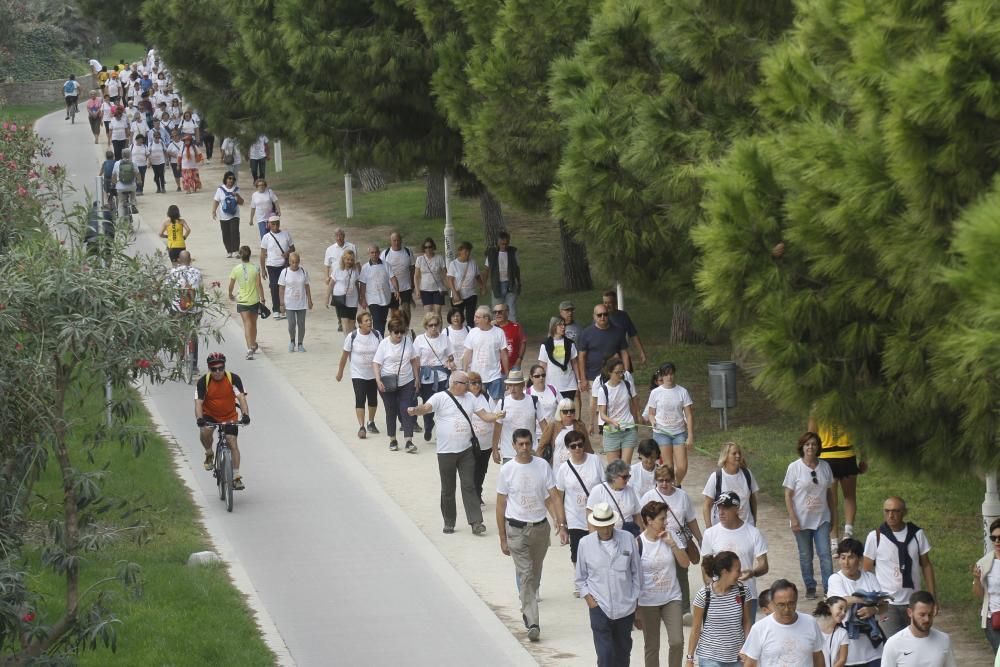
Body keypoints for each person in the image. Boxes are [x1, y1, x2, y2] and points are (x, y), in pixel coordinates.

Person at [409, 371, 504, 535]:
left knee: (469, 485)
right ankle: (449, 521)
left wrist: (497, 415)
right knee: (448, 488)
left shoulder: (470, 398)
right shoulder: (440, 397)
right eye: (466, 383)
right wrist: (416, 410)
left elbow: (485, 416)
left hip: (466, 450)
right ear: (455, 383)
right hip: (446, 452)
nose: (469, 386)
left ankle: (476, 522)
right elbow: (426, 408)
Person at [496, 428, 568, 642]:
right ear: (514, 445)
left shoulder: (542, 466)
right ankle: (533, 621)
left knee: (534, 574)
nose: (525, 448)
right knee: (526, 574)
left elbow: (552, 496)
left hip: (540, 528)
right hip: (516, 529)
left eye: (528, 443)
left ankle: (527, 605)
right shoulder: (507, 470)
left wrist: (561, 522)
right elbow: (501, 505)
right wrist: (502, 537)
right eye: (521, 444)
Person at [575, 502, 642, 664]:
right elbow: (580, 578)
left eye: (608, 525)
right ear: (594, 525)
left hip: (625, 609)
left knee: (623, 654)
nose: (605, 530)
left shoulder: (627, 539)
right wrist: (590, 600)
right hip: (600, 608)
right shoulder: (585, 544)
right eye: (601, 526)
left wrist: (635, 601)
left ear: (613, 523)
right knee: (605, 656)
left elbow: (637, 573)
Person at [863, 496, 936, 638]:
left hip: (914, 601)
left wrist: (932, 598)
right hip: (887, 603)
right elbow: (866, 571)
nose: (891, 515)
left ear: (904, 512)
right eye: (887, 511)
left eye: (896, 511)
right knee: (893, 643)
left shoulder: (917, 534)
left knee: (917, 641)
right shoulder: (875, 537)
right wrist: (872, 600)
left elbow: (926, 565)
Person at [640, 465, 702, 622]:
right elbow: (642, 520)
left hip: (677, 538)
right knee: (659, 573)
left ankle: (685, 609)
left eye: (667, 480)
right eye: (660, 481)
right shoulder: (648, 496)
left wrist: (700, 539)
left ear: (673, 480)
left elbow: (691, 519)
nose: (664, 484)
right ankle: (658, 606)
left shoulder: (682, 496)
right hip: (656, 538)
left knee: (682, 571)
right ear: (655, 481)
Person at [636, 500, 690, 667]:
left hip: (671, 598)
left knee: (677, 641)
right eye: (662, 518)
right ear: (649, 520)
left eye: (665, 518)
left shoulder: (670, 536)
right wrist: (635, 608)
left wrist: (672, 544)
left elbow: (685, 563)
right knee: (652, 646)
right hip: (648, 601)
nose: (666, 522)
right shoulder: (637, 543)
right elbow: (633, 576)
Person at [784, 431, 836, 600]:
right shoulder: (795, 467)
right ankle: (810, 586)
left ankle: (830, 588)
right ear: (802, 447)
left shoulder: (825, 467)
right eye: (807, 444)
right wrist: (793, 517)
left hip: (822, 518)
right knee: (806, 555)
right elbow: (788, 494)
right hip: (801, 519)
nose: (810, 447)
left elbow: (830, 493)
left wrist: (834, 515)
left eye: (813, 444)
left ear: (818, 447)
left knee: (825, 554)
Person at [701, 491, 769, 619]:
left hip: (747, 594)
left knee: (747, 637)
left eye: (725, 508)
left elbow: (764, 565)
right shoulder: (710, 534)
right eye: (719, 508)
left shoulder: (753, 533)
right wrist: (711, 589)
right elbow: (705, 565)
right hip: (719, 595)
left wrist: (752, 572)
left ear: (737, 508)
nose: (720, 512)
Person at [826, 537, 887, 667]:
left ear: (859, 559)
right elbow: (842, 601)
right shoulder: (835, 579)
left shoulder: (870, 577)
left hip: (873, 647)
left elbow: (884, 604)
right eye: (843, 557)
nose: (846, 562)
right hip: (848, 649)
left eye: (851, 557)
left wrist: (873, 610)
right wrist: (868, 599)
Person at [195, 352, 251, 489]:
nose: (218, 371)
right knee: (205, 432)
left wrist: (245, 415)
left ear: (224, 367)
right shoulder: (203, 382)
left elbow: (241, 398)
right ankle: (209, 452)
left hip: (229, 416)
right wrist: (200, 419)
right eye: (214, 369)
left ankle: (236, 477)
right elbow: (198, 403)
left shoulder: (233, 379)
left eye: (221, 368)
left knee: (232, 443)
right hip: (210, 415)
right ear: (209, 369)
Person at [808, 416, 867, 547]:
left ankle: (834, 542)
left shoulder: (816, 407)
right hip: (847, 456)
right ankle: (848, 534)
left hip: (826, 458)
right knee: (849, 497)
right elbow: (861, 435)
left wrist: (809, 461)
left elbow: (811, 436)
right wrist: (864, 458)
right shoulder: (849, 404)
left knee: (831, 502)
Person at [687, 551, 752, 667]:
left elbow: (747, 622)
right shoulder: (704, 595)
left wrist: (748, 650)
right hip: (709, 657)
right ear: (725, 572)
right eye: (737, 570)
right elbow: (695, 628)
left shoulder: (743, 592)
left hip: (737, 657)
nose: (740, 573)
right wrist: (689, 659)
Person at [741, 579, 824, 667]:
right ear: (772, 603)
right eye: (781, 605)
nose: (787, 609)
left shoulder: (810, 623)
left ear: (796, 601)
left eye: (791, 604)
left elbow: (818, 656)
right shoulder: (759, 628)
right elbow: (750, 663)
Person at [554, 429, 604, 573]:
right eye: (573, 446)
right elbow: (559, 497)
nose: (578, 449)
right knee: (576, 551)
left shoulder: (595, 460)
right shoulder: (564, 469)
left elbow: (605, 486)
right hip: (574, 516)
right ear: (568, 448)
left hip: (597, 515)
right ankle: (579, 579)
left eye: (580, 445)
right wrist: (562, 524)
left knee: (597, 550)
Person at [373, 318, 420, 453]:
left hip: (406, 381)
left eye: (402, 332)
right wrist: (378, 380)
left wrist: (417, 378)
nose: (399, 335)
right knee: (391, 410)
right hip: (388, 382)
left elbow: (413, 360)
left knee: (406, 409)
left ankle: (409, 440)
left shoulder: (407, 341)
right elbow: (376, 363)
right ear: (390, 332)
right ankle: (392, 439)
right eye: (396, 332)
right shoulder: (384, 344)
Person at [645, 362, 695, 484]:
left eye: (671, 374)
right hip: (661, 432)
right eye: (666, 375)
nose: (669, 377)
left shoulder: (682, 391)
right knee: (668, 466)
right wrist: (653, 421)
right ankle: (670, 486)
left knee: (682, 467)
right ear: (662, 376)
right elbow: (651, 413)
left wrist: (690, 436)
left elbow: (688, 415)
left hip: (679, 432)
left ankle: (676, 484)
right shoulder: (655, 392)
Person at [336, 311, 382, 439]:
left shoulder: (377, 335)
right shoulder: (352, 336)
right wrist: (340, 372)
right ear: (360, 324)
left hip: (373, 373)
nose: (369, 322)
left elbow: (382, 354)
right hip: (358, 373)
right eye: (366, 321)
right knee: (360, 398)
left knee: (373, 399)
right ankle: (361, 426)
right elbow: (344, 356)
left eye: (370, 320)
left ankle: (371, 422)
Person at [880, 591, 956, 667]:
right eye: (922, 615)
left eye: (930, 614)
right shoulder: (893, 644)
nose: (927, 619)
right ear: (910, 613)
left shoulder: (944, 640)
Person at [413, 311, 455, 440]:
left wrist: (450, 363)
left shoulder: (444, 338)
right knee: (428, 404)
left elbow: (451, 356)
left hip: (442, 376)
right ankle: (428, 425)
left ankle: (441, 431)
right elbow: (415, 361)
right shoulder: (420, 339)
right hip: (426, 377)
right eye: (430, 325)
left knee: (443, 404)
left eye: (436, 324)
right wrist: (417, 378)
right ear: (426, 326)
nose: (433, 327)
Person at [491, 370, 548, 464]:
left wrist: (543, 447)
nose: (512, 388)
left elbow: (544, 426)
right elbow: (497, 428)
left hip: (530, 452)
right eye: (510, 385)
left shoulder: (533, 401)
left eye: (516, 385)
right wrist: (495, 450)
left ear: (523, 385)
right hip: (509, 454)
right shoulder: (502, 403)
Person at [703, 442, 759, 527]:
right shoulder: (716, 477)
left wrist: (754, 521)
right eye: (734, 453)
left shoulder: (747, 474)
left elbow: (753, 500)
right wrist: (709, 528)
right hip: (722, 528)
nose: (738, 456)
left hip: (746, 525)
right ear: (726, 456)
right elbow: (707, 505)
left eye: (739, 453)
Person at [577, 304, 630, 393]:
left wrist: (626, 373)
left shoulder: (618, 331)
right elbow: (581, 356)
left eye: (605, 314)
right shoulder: (586, 333)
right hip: (593, 376)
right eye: (599, 315)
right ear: (594, 316)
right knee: (595, 405)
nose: (602, 317)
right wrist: (583, 378)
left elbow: (624, 353)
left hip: (614, 375)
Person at [597, 356, 639, 464]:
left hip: (628, 429)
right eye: (617, 372)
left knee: (626, 465)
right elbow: (602, 414)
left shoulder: (628, 385)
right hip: (611, 432)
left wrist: (637, 420)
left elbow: (635, 403)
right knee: (614, 468)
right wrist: (612, 421)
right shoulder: (603, 390)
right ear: (610, 372)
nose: (621, 375)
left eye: (622, 372)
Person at [463, 305, 509, 401]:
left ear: (486, 318)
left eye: (478, 317)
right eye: (475, 316)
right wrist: (464, 372)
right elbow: (467, 353)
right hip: (476, 377)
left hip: (495, 376)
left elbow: (504, 355)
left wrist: (507, 374)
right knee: (476, 404)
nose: (475, 319)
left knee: (497, 405)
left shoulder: (499, 332)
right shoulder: (472, 332)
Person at [227, 245, 265, 360]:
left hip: (243, 300)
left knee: (247, 324)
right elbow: (259, 285)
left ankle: (250, 348)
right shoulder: (255, 268)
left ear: (240, 255)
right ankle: (253, 344)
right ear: (249, 255)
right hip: (254, 299)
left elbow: (231, 284)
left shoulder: (236, 269)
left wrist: (230, 294)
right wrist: (262, 298)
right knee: (253, 324)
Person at [168, 249, 203, 372]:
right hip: (195, 309)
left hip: (178, 309)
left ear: (178, 260)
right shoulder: (197, 272)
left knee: (178, 332)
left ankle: (180, 358)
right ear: (190, 260)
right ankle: (193, 366)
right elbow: (200, 290)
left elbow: (167, 291)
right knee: (193, 334)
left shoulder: (172, 273)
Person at [587, 459, 642, 533]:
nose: (628, 480)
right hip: (607, 534)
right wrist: (594, 538)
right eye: (624, 477)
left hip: (628, 533)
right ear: (613, 477)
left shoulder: (630, 489)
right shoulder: (598, 490)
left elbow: (636, 515)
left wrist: (640, 535)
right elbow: (590, 515)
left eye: (628, 476)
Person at [538, 397, 594, 469]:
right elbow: (542, 446)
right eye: (565, 411)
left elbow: (587, 446)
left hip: (577, 465)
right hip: (558, 466)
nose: (569, 414)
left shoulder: (580, 426)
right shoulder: (553, 426)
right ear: (559, 412)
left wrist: (592, 463)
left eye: (572, 411)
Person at [467, 371, 496, 505]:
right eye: (473, 383)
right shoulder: (464, 398)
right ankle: (474, 495)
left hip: (486, 442)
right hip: (470, 442)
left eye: (479, 382)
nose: (477, 385)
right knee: (472, 469)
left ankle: (478, 490)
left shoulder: (486, 397)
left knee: (482, 469)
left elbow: (494, 416)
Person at [482, 231, 522, 321]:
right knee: (497, 310)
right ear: (498, 243)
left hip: (510, 284)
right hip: (497, 285)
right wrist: (483, 286)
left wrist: (519, 283)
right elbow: (486, 271)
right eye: (502, 244)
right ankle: (497, 331)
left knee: (511, 310)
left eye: (506, 243)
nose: (504, 246)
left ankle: (512, 330)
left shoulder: (513, 252)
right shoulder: (491, 253)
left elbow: (517, 269)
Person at [259, 215, 294, 318]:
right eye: (273, 224)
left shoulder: (286, 234)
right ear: (269, 225)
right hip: (272, 265)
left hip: (284, 265)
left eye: (277, 224)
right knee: (274, 287)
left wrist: (287, 253)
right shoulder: (266, 237)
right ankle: (276, 309)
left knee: (285, 287)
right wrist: (263, 269)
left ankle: (285, 308)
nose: (275, 226)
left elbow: (293, 247)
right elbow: (262, 253)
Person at [359, 245, 397, 336]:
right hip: (372, 299)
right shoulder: (365, 268)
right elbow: (363, 284)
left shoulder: (386, 265)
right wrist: (363, 298)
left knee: (383, 320)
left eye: (376, 252)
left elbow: (393, 278)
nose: (374, 254)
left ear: (379, 253)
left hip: (385, 297)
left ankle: (379, 337)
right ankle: (378, 340)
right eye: (372, 253)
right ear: (369, 254)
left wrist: (397, 290)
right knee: (377, 320)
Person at [278, 252, 313, 352]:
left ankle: (300, 343)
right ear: (289, 262)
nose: (295, 264)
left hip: (301, 302)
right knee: (291, 323)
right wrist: (281, 303)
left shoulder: (303, 271)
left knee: (301, 323)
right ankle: (292, 341)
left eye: (296, 262)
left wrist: (309, 300)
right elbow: (281, 288)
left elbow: (307, 286)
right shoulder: (284, 272)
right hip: (289, 302)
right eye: (292, 262)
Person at [974, 518, 1000, 652]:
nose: (997, 541)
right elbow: (979, 594)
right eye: (993, 538)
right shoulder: (984, 562)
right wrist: (977, 579)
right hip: (993, 618)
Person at [602, 290, 647, 367]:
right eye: (605, 303)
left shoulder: (623, 316)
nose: (607, 305)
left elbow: (633, 334)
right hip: (605, 356)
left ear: (615, 303)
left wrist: (641, 352)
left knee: (625, 377)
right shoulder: (600, 317)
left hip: (622, 355)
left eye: (609, 303)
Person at [324, 228, 357, 330]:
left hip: (350, 276)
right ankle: (341, 320)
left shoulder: (352, 246)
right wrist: (326, 276)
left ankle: (347, 321)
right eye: (337, 236)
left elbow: (357, 261)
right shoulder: (330, 249)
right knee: (338, 299)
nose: (339, 238)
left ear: (344, 236)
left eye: (341, 235)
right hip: (336, 277)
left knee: (348, 300)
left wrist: (358, 273)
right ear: (334, 237)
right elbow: (327, 264)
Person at [382, 232, 417, 326]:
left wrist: (412, 283)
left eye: (398, 240)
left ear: (401, 240)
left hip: (405, 286)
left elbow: (412, 268)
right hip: (391, 288)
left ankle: (406, 328)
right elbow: (382, 270)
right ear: (390, 241)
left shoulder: (408, 251)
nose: (396, 242)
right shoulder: (385, 254)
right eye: (394, 240)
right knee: (394, 310)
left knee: (406, 309)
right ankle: (395, 329)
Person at [447, 240, 484, 326]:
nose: (467, 253)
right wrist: (455, 293)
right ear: (460, 251)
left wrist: (482, 286)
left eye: (469, 251)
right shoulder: (454, 264)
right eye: (465, 251)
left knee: (470, 318)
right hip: (458, 295)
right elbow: (450, 280)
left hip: (471, 294)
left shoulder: (473, 263)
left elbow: (477, 276)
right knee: (458, 317)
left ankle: (470, 335)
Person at [212, 171, 244, 258]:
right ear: (225, 179)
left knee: (235, 233)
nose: (231, 180)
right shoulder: (220, 189)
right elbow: (216, 201)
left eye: (233, 179)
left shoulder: (237, 189)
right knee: (225, 234)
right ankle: (229, 251)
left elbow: (241, 202)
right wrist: (214, 211)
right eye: (229, 178)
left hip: (235, 215)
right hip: (223, 216)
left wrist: (237, 195)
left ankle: (236, 250)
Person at [525, 363, 560, 441]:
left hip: (554, 432)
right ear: (531, 377)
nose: (541, 378)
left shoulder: (553, 389)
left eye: (543, 375)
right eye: (537, 376)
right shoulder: (527, 393)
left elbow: (563, 406)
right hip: (535, 435)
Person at [328, 248, 360, 335]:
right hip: (341, 300)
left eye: (351, 259)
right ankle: (347, 343)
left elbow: (357, 285)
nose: (349, 261)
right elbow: (331, 285)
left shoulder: (355, 271)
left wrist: (360, 298)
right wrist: (327, 299)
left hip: (353, 300)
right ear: (343, 259)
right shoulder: (337, 270)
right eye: (347, 259)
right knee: (345, 321)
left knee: (352, 323)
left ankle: (350, 341)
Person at [414, 237, 447, 316]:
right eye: (426, 247)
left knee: (438, 312)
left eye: (430, 247)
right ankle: (429, 328)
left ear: (433, 247)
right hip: (425, 289)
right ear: (424, 248)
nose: (428, 249)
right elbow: (416, 276)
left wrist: (447, 286)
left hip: (438, 289)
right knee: (428, 314)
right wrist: (417, 290)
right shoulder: (420, 259)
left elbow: (445, 274)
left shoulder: (439, 258)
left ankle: (439, 328)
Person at [813, 596, 850, 667]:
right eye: (840, 608)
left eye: (845, 611)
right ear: (829, 608)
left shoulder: (843, 633)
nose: (843, 613)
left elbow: (842, 659)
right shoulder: (813, 627)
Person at [493, 303, 526, 370]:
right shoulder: (491, 328)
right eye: (495, 312)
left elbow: (523, 342)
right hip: (496, 368)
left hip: (513, 366)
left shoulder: (516, 327)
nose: (497, 314)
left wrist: (520, 358)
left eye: (500, 312)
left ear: (507, 312)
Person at [111, 148, 138, 220]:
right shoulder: (133, 163)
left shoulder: (117, 163)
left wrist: (113, 184)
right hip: (131, 186)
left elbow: (113, 176)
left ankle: (121, 220)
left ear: (122, 155)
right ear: (130, 155)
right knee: (133, 191)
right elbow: (137, 174)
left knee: (121, 202)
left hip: (120, 187)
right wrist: (139, 181)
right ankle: (132, 204)